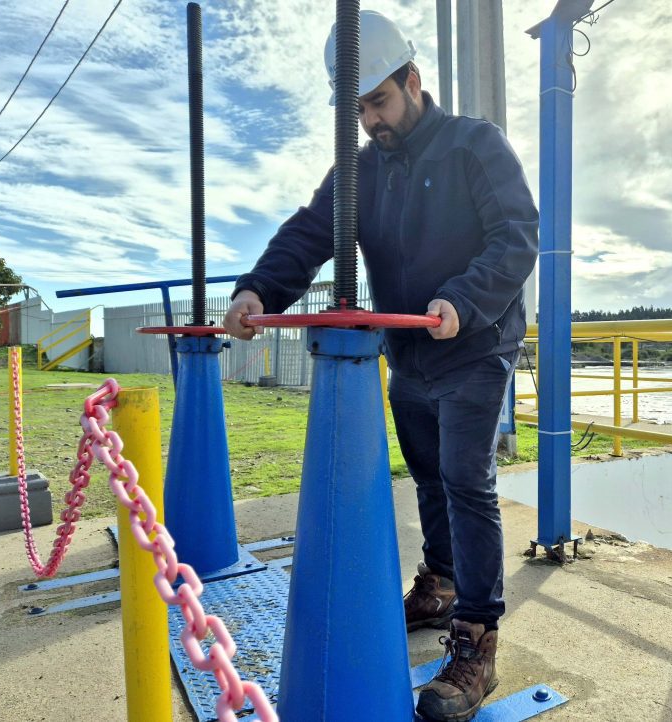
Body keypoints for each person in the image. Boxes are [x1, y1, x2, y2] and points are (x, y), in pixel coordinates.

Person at [222, 10, 538, 721]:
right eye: (358, 109)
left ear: (413, 82)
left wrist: (462, 300)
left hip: (474, 345)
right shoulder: (359, 172)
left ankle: (477, 639)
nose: (370, 120)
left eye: (380, 102)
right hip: (410, 352)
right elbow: (309, 234)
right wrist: (258, 289)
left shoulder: (474, 146)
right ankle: (442, 584)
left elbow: (516, 238)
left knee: (466, 481)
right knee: (427, 476)